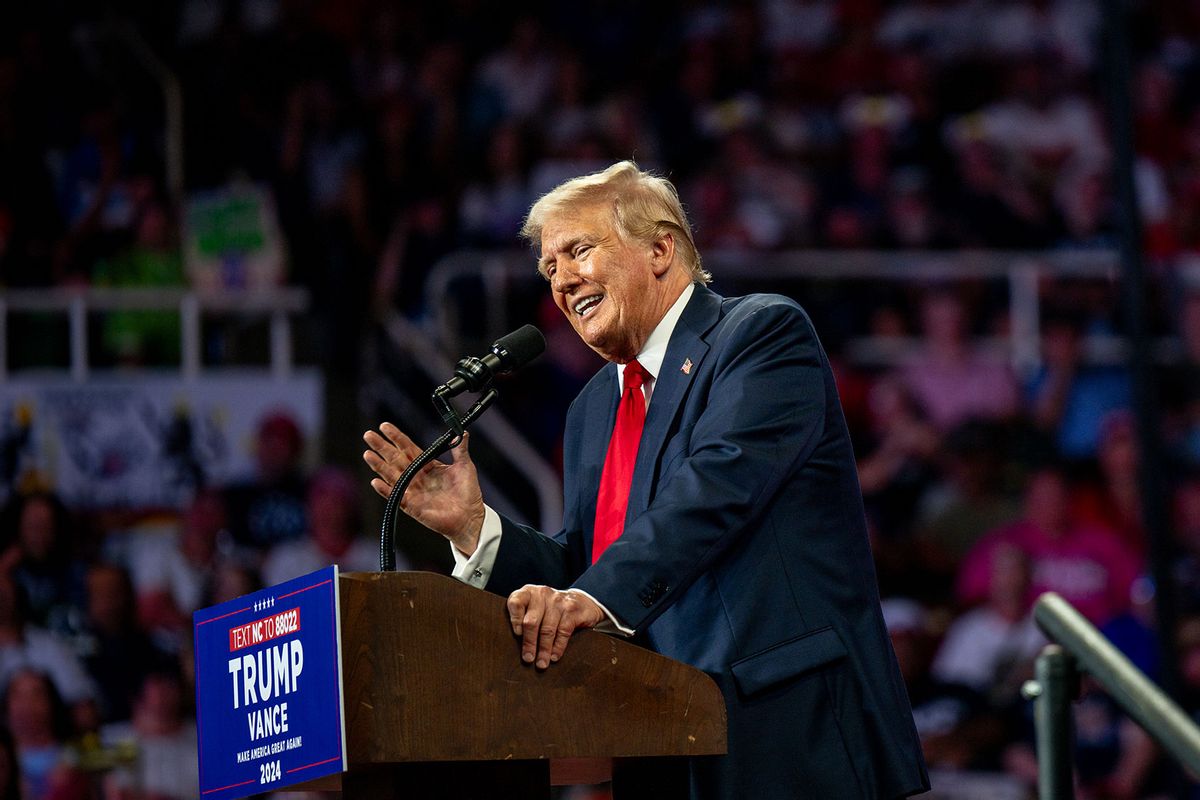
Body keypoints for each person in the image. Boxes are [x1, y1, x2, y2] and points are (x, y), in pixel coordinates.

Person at [363, 161, 928, 799]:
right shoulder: (593, 410)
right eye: (550, 269)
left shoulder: (760, 335)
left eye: (579, 251)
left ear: (660, 249)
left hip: (785, 731)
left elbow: (714, 490)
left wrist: (587, 599)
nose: (563, 282)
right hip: (655, 742)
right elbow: (590, 568)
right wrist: (475, 530)